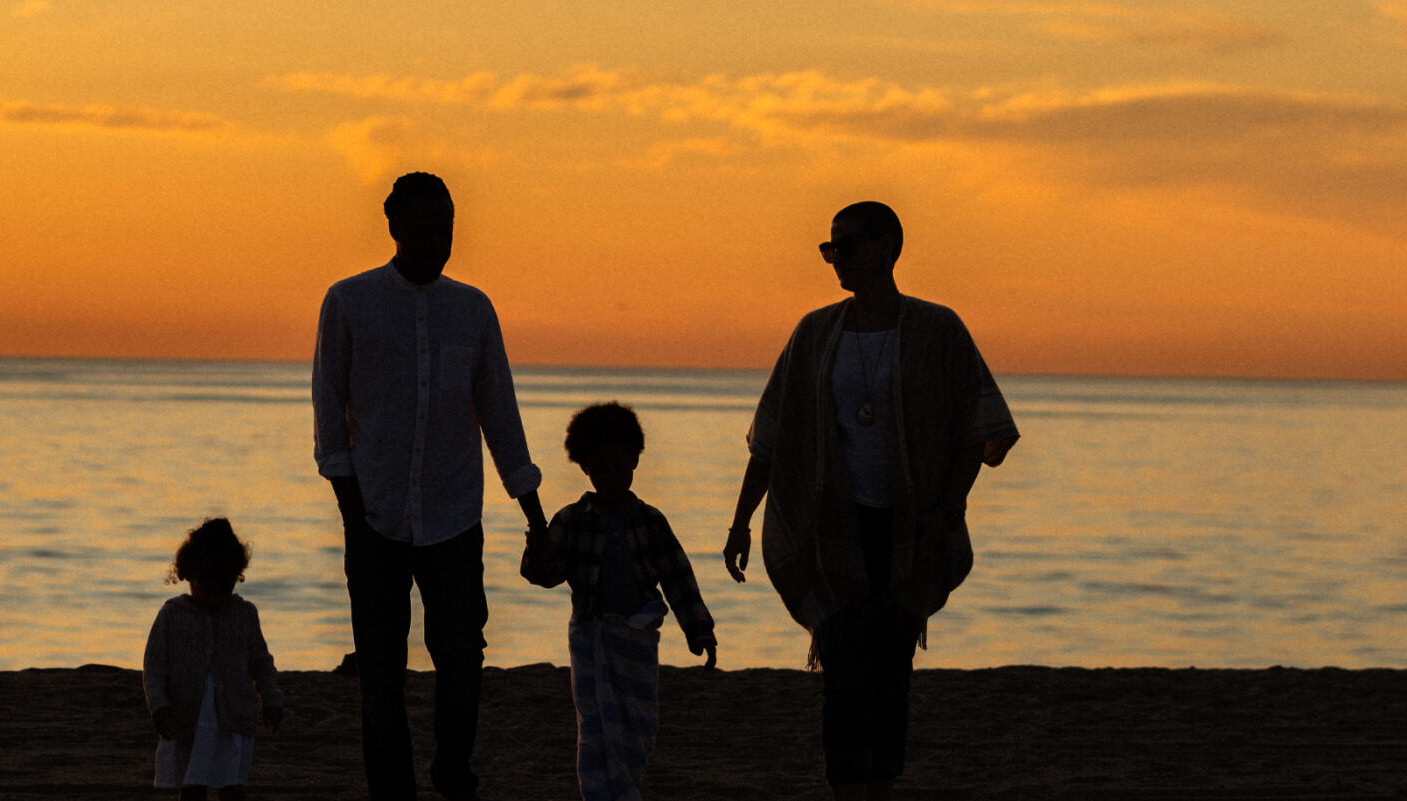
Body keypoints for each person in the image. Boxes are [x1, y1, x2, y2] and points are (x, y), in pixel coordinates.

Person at [722, 201, 1018, 801]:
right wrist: (740, 523)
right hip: (832, 526)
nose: (837, 259)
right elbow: (773, 436)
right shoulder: (814, 332)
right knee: (843, 671)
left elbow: (976, 425)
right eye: (830, 248)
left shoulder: (937, 330)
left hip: (909, 528)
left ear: (888, 247)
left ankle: (879, 787)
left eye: (849, 245)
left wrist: (949, 508)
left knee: (891, 673)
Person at [312, 172, 546, 801]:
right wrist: (352, 511)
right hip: (375, 517)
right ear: (392, 228)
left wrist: (535, 516)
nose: (434, 240)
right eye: (420, 228)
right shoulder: (349, 301)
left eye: (444, 227)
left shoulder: (472, 309)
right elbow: (329, 413)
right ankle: (393, 791)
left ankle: (452, 771)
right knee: (381, 675)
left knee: (462, 659)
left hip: (453, 519)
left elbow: (500, 413)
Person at [522, 402, 717, 801]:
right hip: (591, 640)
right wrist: (537, 546)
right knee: (593, 726)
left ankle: (627, 788)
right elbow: (544, 575)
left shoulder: (650, 521)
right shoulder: (571, 520)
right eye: (601, 467)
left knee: (638, 723)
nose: (612, 476)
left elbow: (678, 577)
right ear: (584, 468)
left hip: (637, 641)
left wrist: (700, 630)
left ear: (635, 463)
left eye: (620, 466)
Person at [144, 518, 286, 801]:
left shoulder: (244, 614)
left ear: (235, 579)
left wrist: (270, 698)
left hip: (232, 718)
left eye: (222, 590)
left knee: (232, 784)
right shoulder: (172, 615)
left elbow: (261, 662)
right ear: (188, 575)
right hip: (188, 719)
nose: (213, 598)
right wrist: (159, 706)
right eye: (204, 588)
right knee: (192, 784)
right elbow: (154, 667)